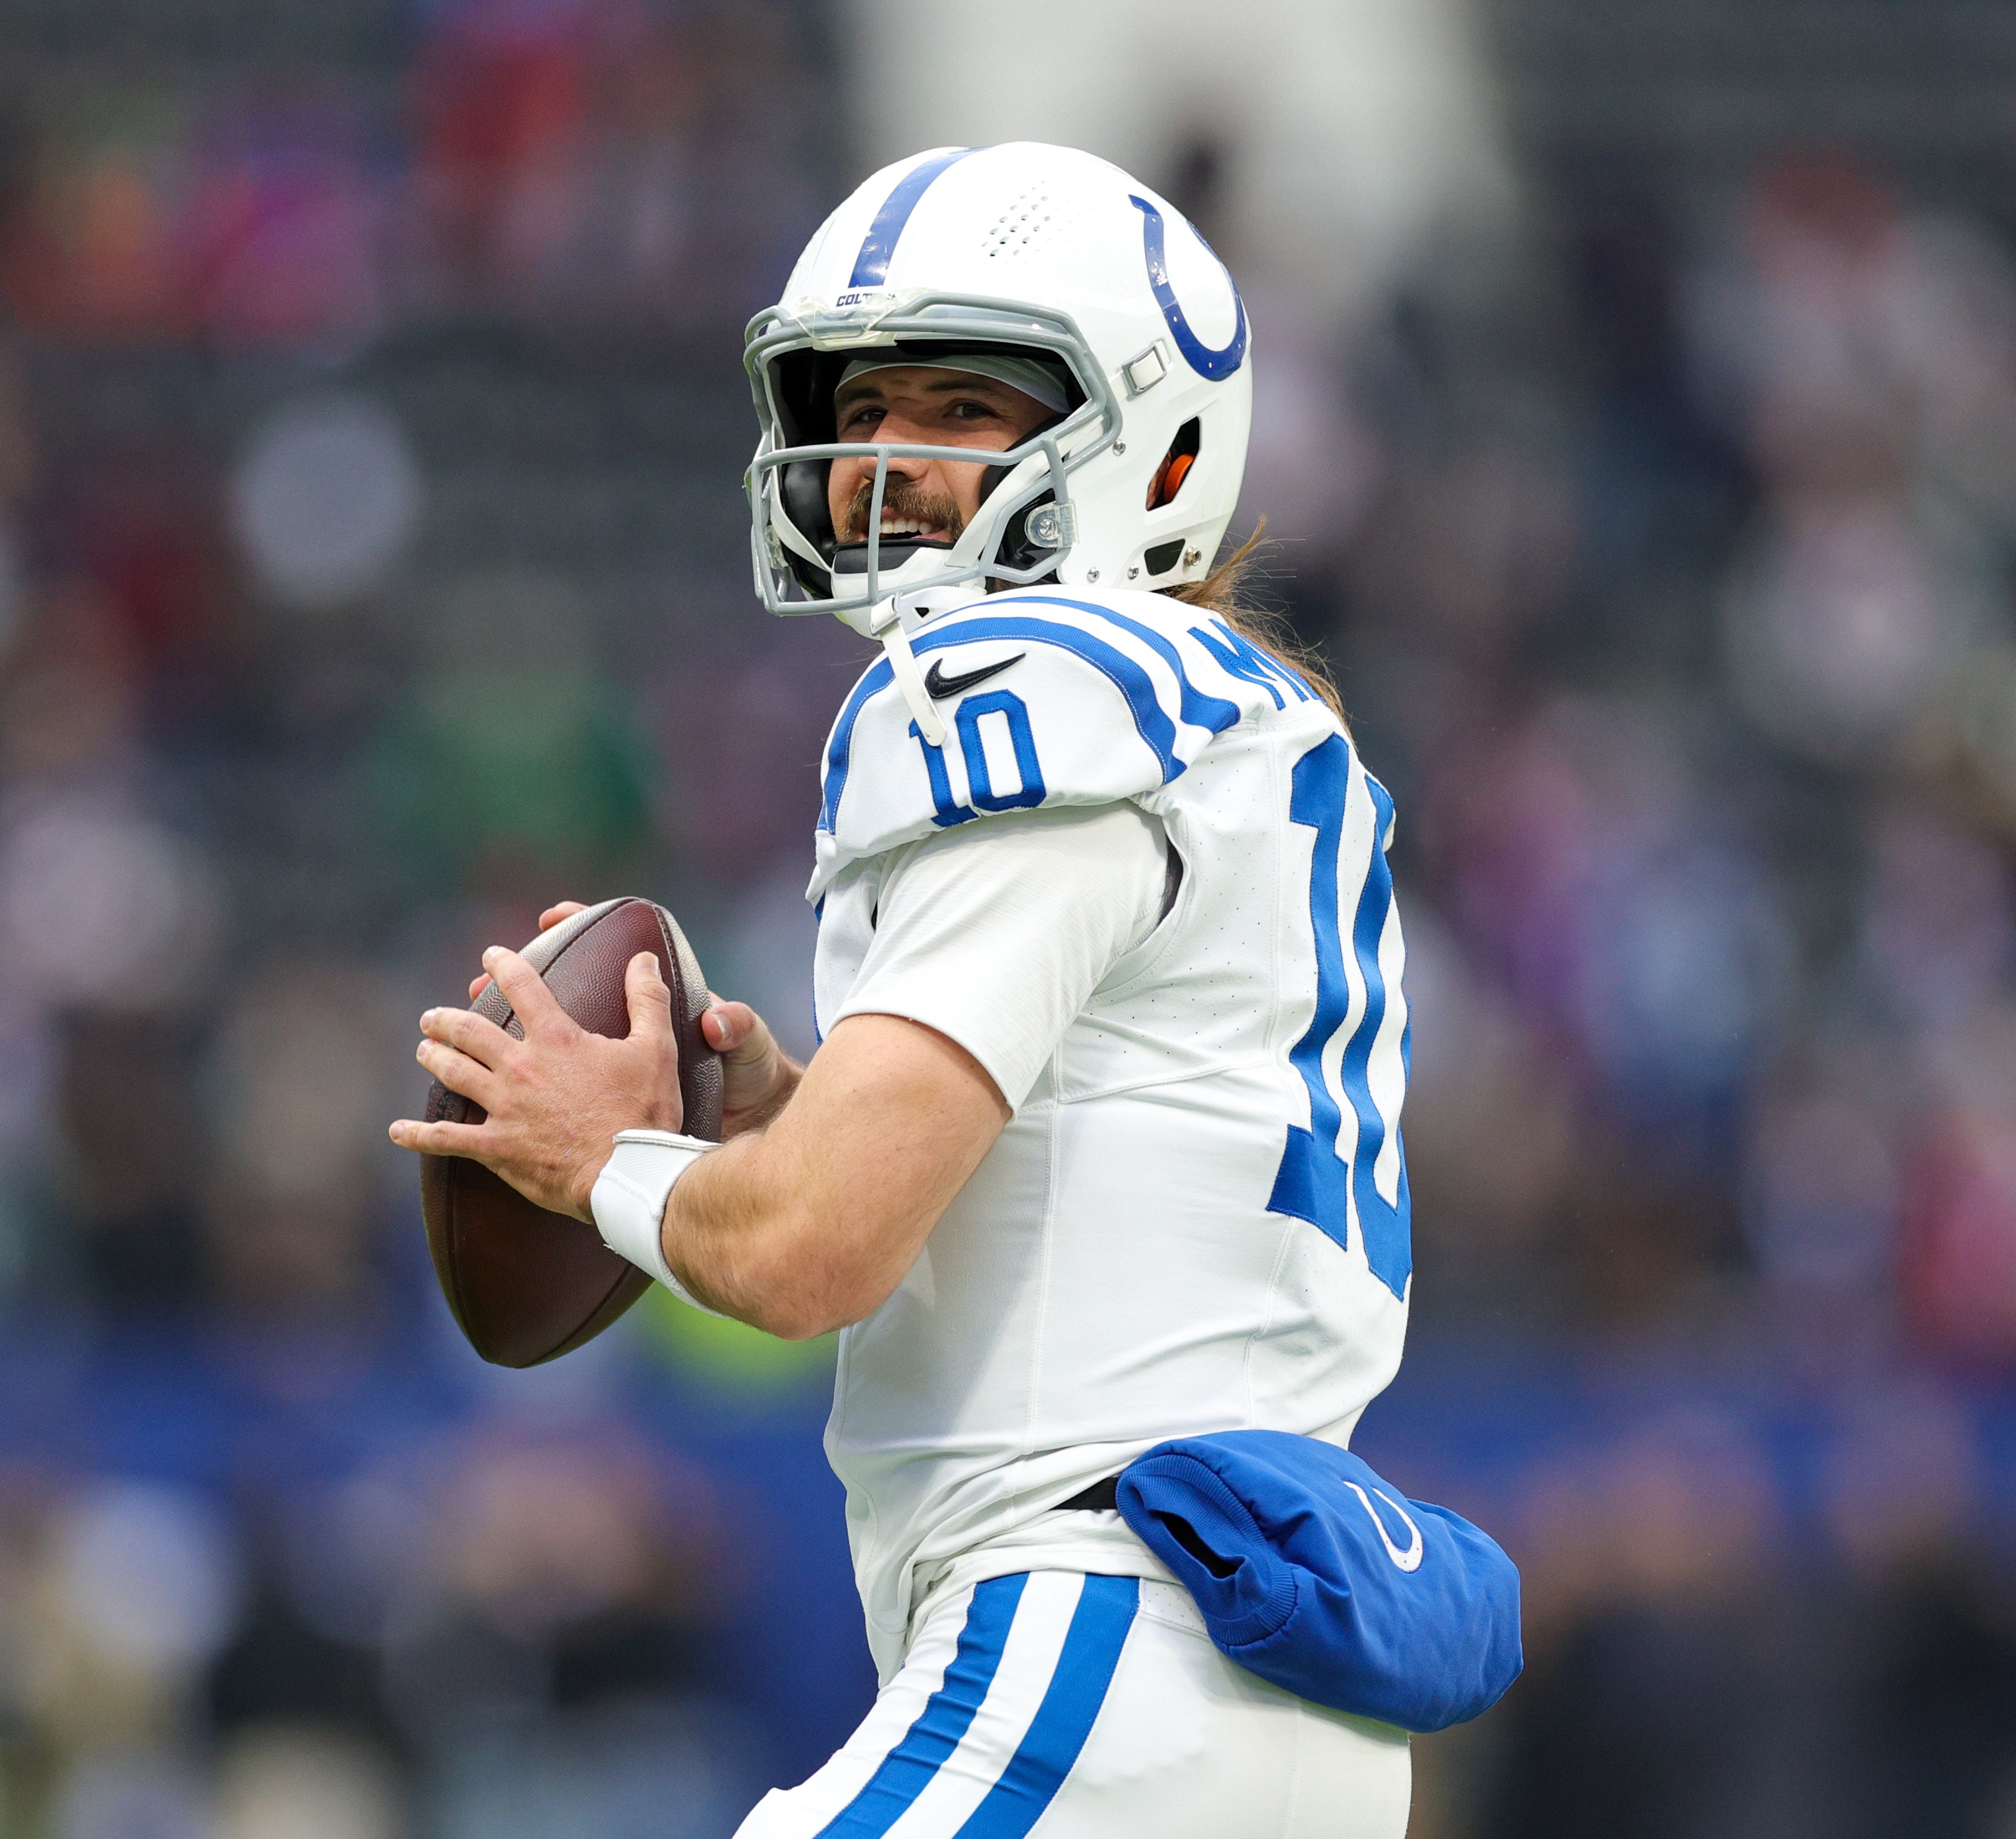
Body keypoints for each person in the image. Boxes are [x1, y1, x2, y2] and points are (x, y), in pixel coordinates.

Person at [392, 142, 1416, 1837]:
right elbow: (1098, 1187)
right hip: (1260, 1687)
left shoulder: (1031, 681)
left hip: (1095, 1640)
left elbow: (806, 1257)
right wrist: (796, 1126)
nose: (894, 464)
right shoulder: (1233, 723)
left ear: (1157, 437)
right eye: (865, 408)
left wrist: (600, 1160)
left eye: (963, 408)